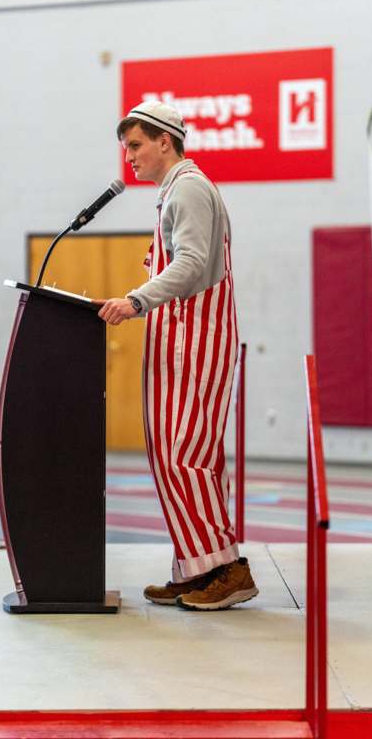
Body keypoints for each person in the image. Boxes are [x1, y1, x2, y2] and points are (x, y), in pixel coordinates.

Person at [96, 100, 258, 611]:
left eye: (136, 145)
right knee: (183, 455)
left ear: (165, 141)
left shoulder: (187, 188)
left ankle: (226, 570)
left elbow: (189, 264)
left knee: (184, 455)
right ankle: (196, 567)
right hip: (184, 339)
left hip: (194, 340)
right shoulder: (177, 190)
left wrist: (135, 300)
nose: (129, 157)